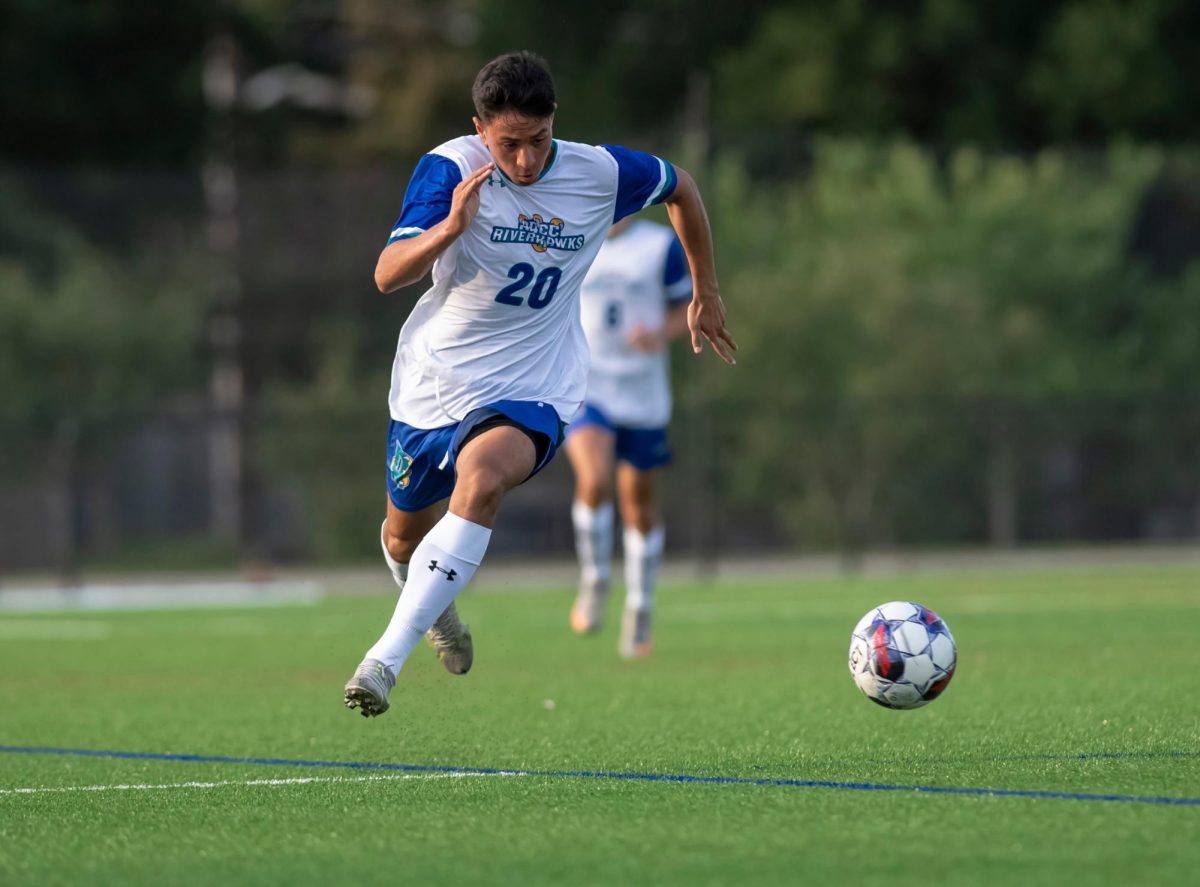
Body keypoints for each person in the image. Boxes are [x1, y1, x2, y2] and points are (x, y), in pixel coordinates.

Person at [344, 50, 736, 718]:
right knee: (402, 539)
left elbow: (682, 187)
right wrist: (449, 228)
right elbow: (387, 274)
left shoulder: (598, 172)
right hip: (432, 382)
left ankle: (384, 658)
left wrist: (705, 289)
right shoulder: (450, 168)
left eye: (538, 142)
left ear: (556, 122)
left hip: (535, 386)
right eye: (508, 146)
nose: (524, 162)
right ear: (479, 128)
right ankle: (437, 611)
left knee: (486, 478)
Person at [565, 217, 691, 657]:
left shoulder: (659, 246)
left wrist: (661, 333)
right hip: (588, 385)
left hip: (642, 391)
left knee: (638, 504)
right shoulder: (574, 234)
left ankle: (640, 606)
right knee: (594, 480)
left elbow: (686, 306)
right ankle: (596, 577)